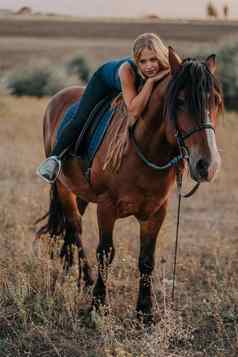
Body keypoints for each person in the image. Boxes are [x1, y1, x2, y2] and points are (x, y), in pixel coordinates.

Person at [37, 33, 170, 183]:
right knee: (81, 117)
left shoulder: (168, 66)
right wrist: (151, 82)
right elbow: (134, 109)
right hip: (104, 80)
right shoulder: (128, 71)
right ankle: (54, 158)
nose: (149, 66)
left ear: (161, 57)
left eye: (153, 60)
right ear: (136, 62)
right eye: (143, 61)